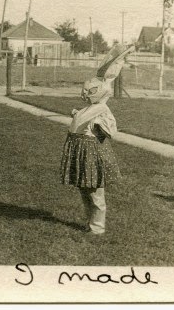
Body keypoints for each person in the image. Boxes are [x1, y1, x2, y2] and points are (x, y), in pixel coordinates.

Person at [60, 44, 134, 235]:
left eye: (89, 91)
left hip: (90, 154)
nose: (84, 94)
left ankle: (97, 227)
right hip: (80, 151)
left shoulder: (101, 110)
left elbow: (108, 131)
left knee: (94, 192)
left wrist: (98, 124)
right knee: (85, 189)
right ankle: (90, 223)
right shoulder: (91, 108)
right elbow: (106, 75)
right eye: (84, 91)